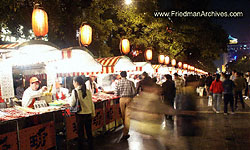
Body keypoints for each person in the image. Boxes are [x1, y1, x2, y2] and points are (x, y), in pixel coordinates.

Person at [67, 76, 95, 150]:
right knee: (89, 132)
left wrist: (68, 100)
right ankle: (91, 146)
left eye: (73, 82)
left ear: (76, 82)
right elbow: (91, 103)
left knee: (80, 133)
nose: (73, 84)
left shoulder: (75, 91)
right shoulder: (88, 91)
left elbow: (72, 103)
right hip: (88, 114)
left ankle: (81, 147)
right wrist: (93, 113)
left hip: (80, 115)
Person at [114, 71, 136, 140]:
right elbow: (134, 92)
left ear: (120, 75)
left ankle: (125, 129)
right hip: (129, 99)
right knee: (128, 116)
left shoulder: (118, 82)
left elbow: (116, 93)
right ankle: (125, 132)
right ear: (126, 75)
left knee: (123, 115)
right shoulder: (130, 82)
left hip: (122, 100)